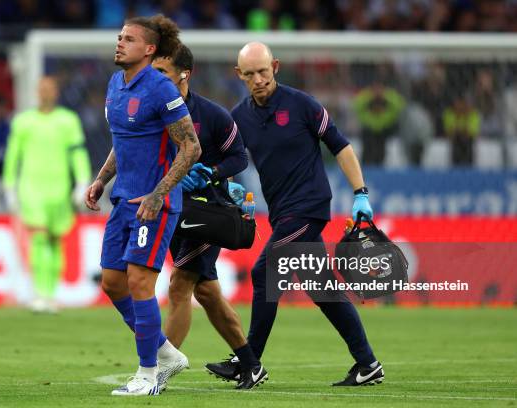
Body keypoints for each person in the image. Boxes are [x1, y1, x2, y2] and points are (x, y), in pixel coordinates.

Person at [205, 42, 384, 387]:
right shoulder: (239, 117)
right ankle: (367, 363)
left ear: (275, 66)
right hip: (281, 213)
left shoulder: (303, 105)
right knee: (324, 289)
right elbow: (230, 160)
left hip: (309, 207)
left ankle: (249, 361)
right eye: (250, 74)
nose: (258, 79)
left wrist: (361, 194)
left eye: (263, 71)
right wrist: (229, 187)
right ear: (238, 75)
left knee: (263, 272)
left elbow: (341, 146)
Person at [84, 15, 202, 396]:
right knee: (112, 282)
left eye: (129, 39)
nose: (119, 42)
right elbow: (124, 140)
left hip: (154, 203)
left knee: (139, 282)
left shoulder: (159, 87)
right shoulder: (115, 84)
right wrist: (103, 179)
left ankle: (147, 373)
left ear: (149, 49)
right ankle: (166, 352)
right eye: (119, 37)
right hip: (123, 200)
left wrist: (158, 193)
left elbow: (191, 146)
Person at [152, 44, 267, 390]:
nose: (154, 79)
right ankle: (250, 363)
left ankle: (157, 371)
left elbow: (238, 158)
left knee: (179, 285)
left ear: (184, 74)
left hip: (206, 212)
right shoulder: (155, 113)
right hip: (173, 210)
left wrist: (210, 173)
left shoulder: (212, 115)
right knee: (207, 293)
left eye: (162, 73)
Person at [2, 76, 91, 313]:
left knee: (55, 239)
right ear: (36, 92)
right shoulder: (22, 121)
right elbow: (12, 157)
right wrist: (9, 187)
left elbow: (77, 153)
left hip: (59, 188)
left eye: (49, 89)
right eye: (41, 89)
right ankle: (40, 293)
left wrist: (82, 182)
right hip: (31, 187)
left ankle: (51, 294)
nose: (45, 93)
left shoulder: (68, 121)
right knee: (39, 237)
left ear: (56, 93)